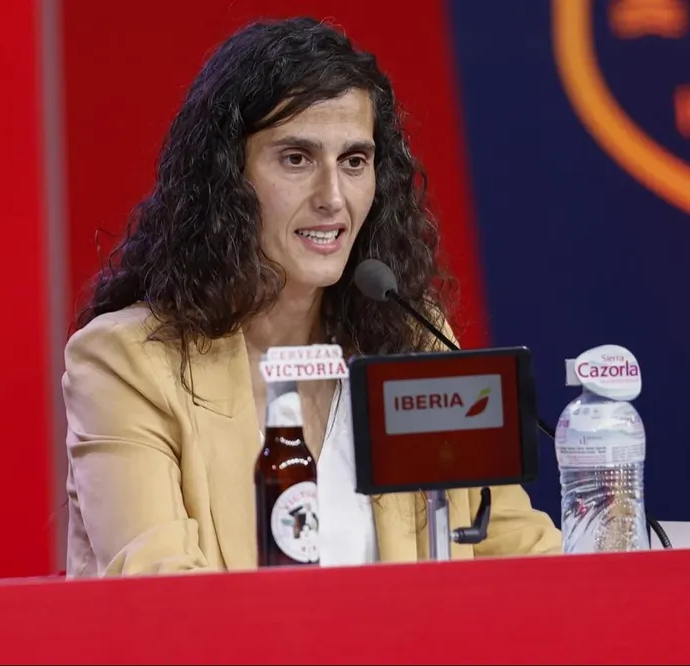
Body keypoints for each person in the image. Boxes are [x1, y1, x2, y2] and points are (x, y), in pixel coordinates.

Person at [62, 16, 562, 578]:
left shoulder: (410, 342)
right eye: (296, 159)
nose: (333, 197)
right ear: (226, 178)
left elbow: (526, 559)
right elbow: (163, 596)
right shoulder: (128, 363)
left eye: (354, 161)